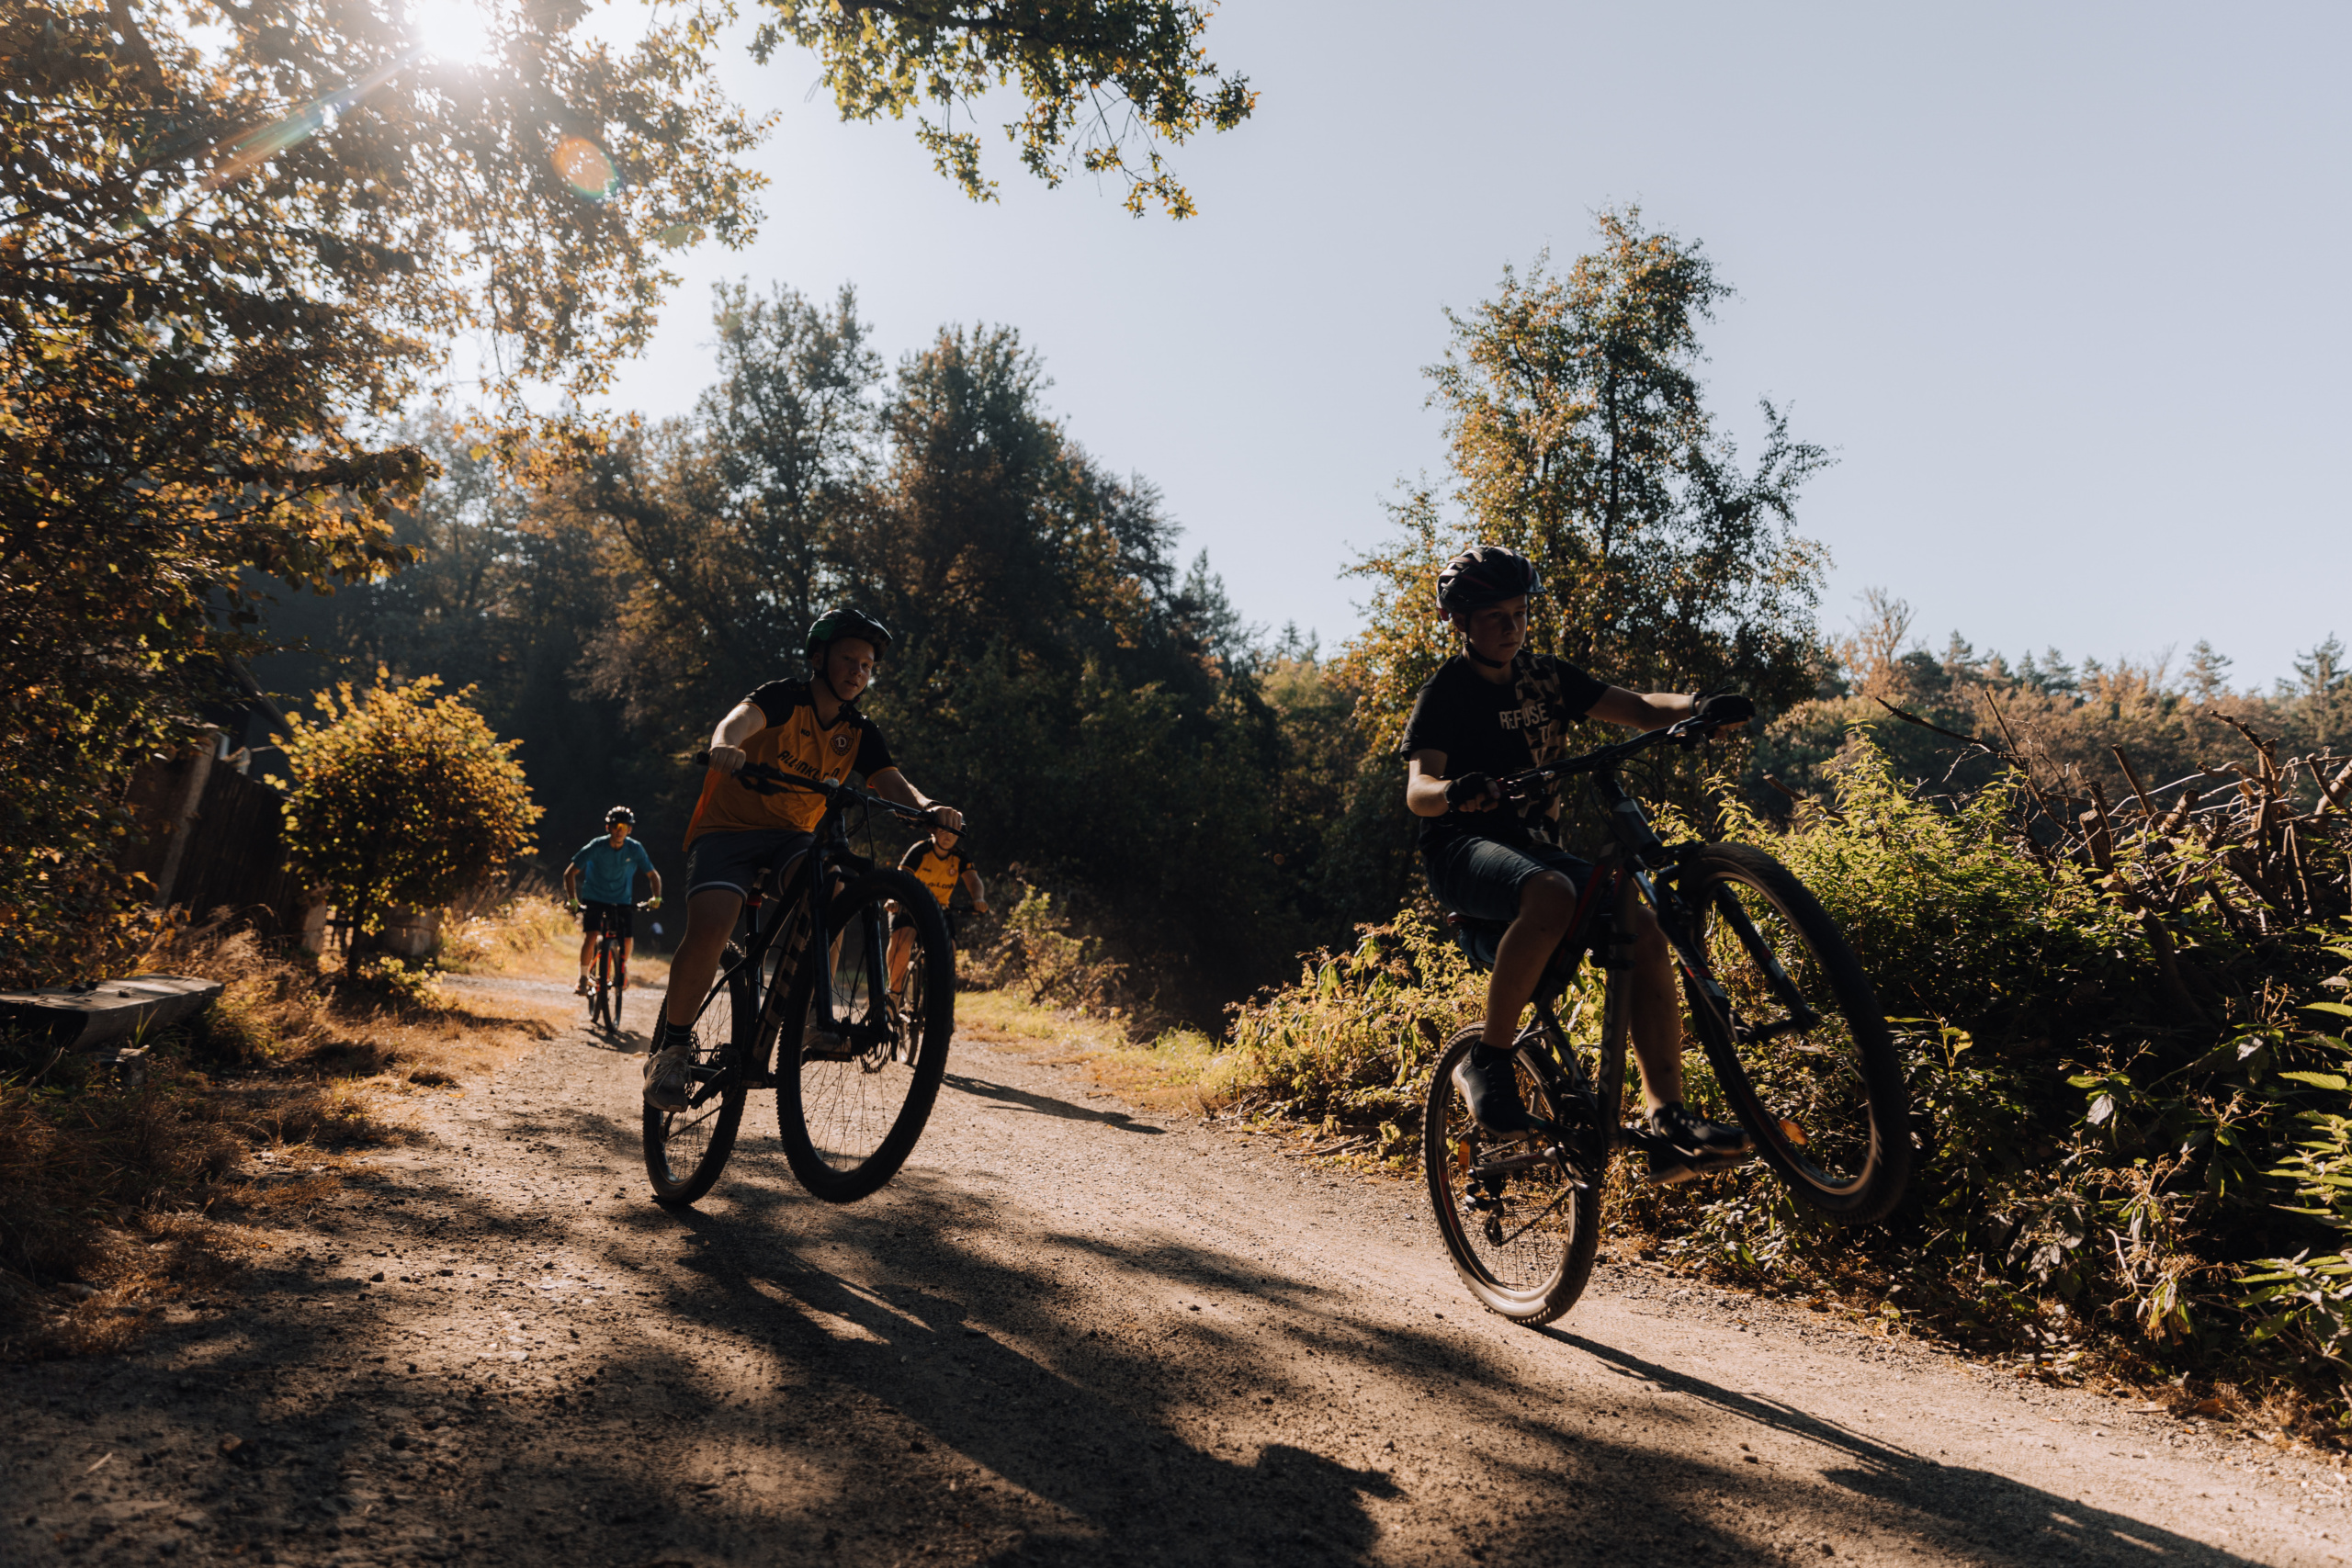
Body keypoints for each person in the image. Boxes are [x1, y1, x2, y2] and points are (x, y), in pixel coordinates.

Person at [1400, 544, 1757, 1183]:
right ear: (1460, 622)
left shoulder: (1546, 678)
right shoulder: (1446, 692)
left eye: (1519, 613)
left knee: (1643, 925)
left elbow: (1641, 708)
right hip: (1460, 847)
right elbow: (1419, 791)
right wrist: (1455, 790)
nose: (1512, 627)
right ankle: (1488, 1058)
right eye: (1495, 617)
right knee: (1553, 892)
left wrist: (1699, 706)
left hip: (1533, 847)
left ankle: (1668, 1123)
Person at [644, 606, 964, 1111]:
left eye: (867, 666)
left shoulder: (858, 731)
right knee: (712, 925)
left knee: (831, 891)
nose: (858, 672)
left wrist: (927, 809)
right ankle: (673, 1050)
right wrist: (726, 745)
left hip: (792, 838)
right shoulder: (783, 698)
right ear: (819, 659)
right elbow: (739, 721)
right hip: (728, 831)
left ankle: (814, 1016)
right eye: (849, 659)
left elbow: (890, 781)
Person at [564, 807, 662, 995]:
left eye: (624, 827)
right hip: (594, 897)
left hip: (622, 900)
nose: (619, 830)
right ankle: (583, 977)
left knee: (627, 938)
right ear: (608, 828)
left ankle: (623, 968)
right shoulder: (596, 846)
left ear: (629, 829)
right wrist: (572, 900)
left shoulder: (635, 848)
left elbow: (653, 875)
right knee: (591, 936)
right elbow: (570, 873)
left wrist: (656, 897)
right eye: (616, 826)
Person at [888, 822, 991, 995]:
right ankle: (894, 996)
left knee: (949, 951)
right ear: (933, 830)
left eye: (954, 832)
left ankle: (943, 1003)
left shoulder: (960, 857)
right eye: (944, 830)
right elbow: (903, 876)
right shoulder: (920, 850)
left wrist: (978, 898)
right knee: (902, 944)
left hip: (939, 909)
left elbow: (974, 880)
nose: (948, 836)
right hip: (910, 905)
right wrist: (894, 898)